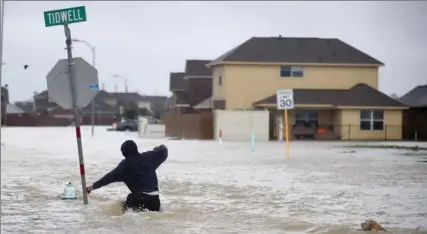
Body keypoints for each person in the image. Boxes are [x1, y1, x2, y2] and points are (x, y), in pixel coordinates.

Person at [86, 140, 168, 213]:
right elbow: (164, 151)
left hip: (139, 198)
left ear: (124, 153)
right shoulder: (149, 157)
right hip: (155, 200)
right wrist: (158, 148)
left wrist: (92, 187)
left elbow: (108, 178)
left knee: (125, 213)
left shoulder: (124, 166)